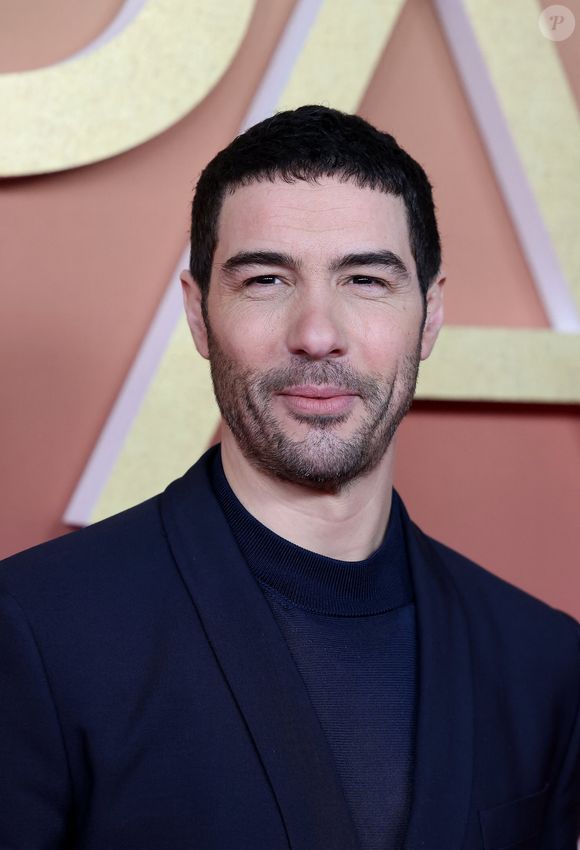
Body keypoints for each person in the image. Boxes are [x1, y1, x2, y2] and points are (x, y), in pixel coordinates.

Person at [0, 105, 578, 850]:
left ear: (429, 316)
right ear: (200, 314)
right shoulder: (36, 631)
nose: (316, 333)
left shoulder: (541, 660)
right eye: (267, 279)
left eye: (366, 279)